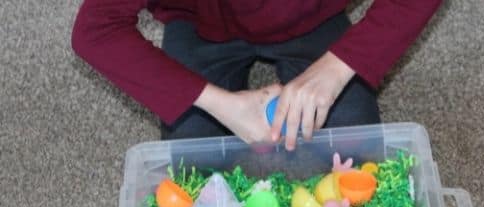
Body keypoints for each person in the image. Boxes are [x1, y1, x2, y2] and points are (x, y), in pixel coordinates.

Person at [72, 0, 442, 151]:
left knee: (354, 144)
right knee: (193, 158)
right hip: (199, 20)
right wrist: (221, 104)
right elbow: (96, 32)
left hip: (310, 15)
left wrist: (336, 67)